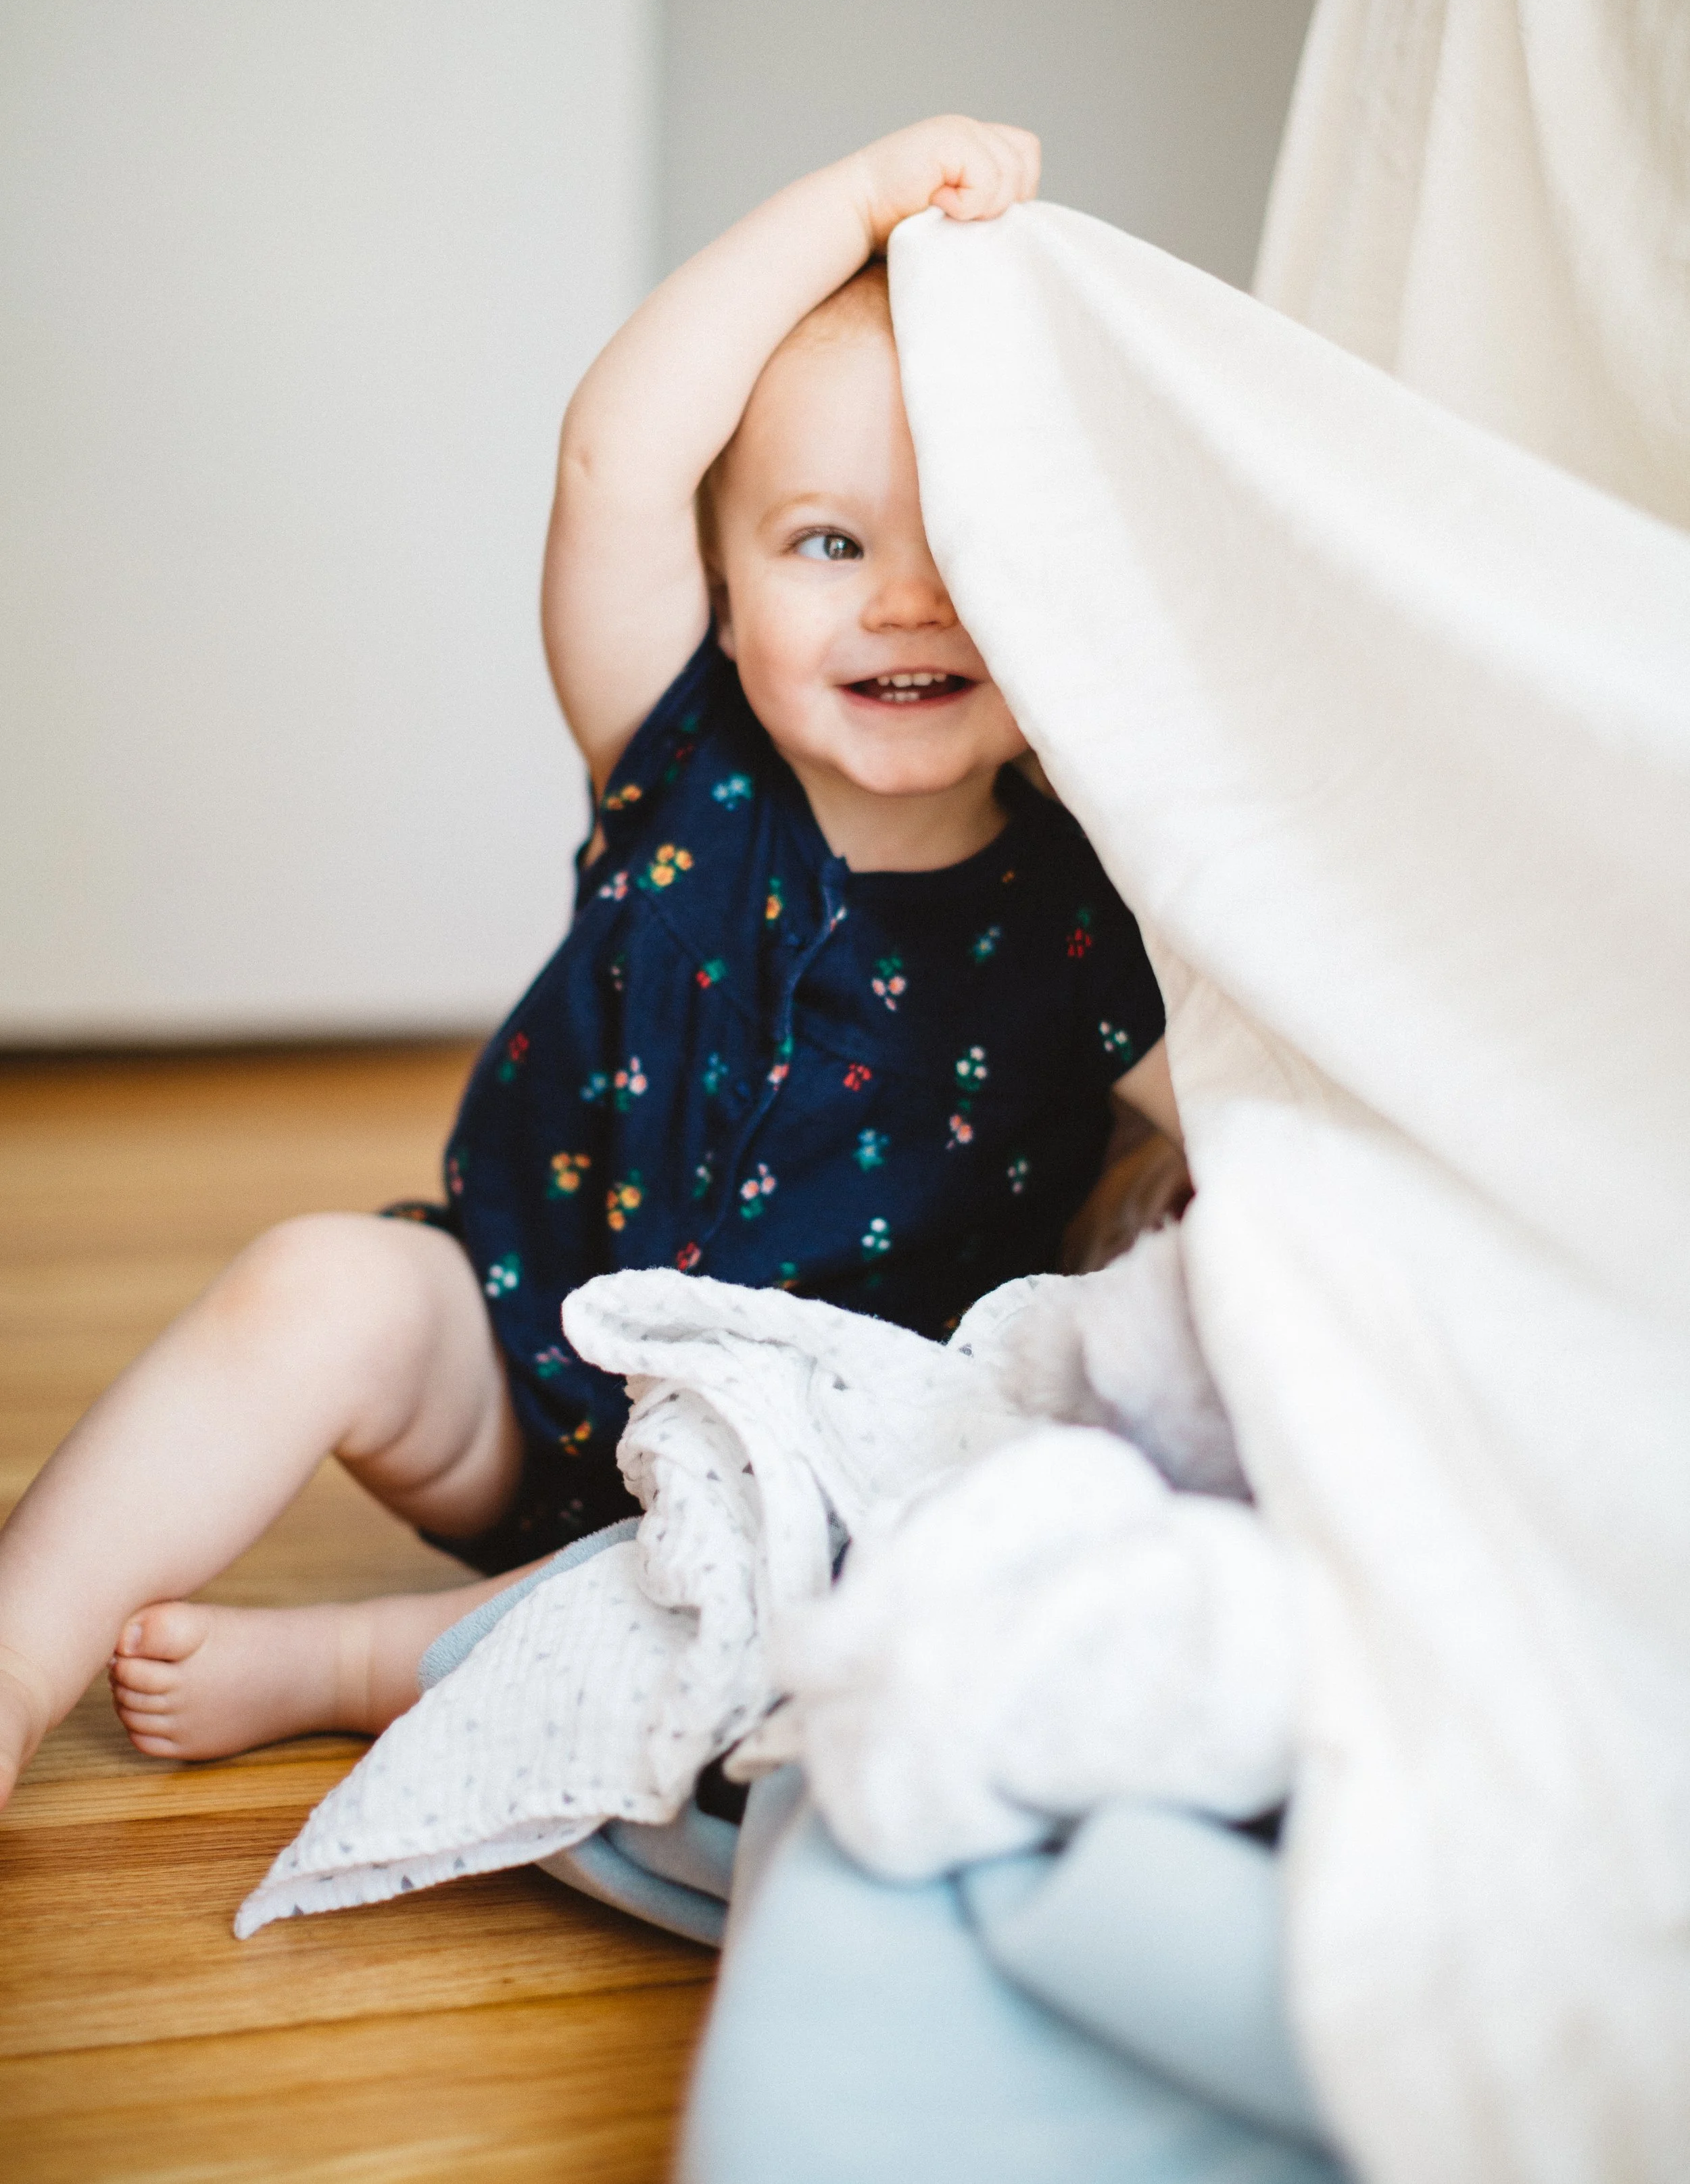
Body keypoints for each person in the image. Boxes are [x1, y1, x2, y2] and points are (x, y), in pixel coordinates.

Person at [0, 118, 1180, 1807]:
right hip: (519, 1364)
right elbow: (616, 454)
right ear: (719, 579)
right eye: (829, 544)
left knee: (919, 1569)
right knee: (315, 1284)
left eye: (968, 549)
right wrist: (852, 204)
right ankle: (21, 1650)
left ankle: (357, 1666)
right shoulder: (679, 752)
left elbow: (1252, 1122)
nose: (906, 602)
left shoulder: (1091, 919)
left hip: (800, 1474)